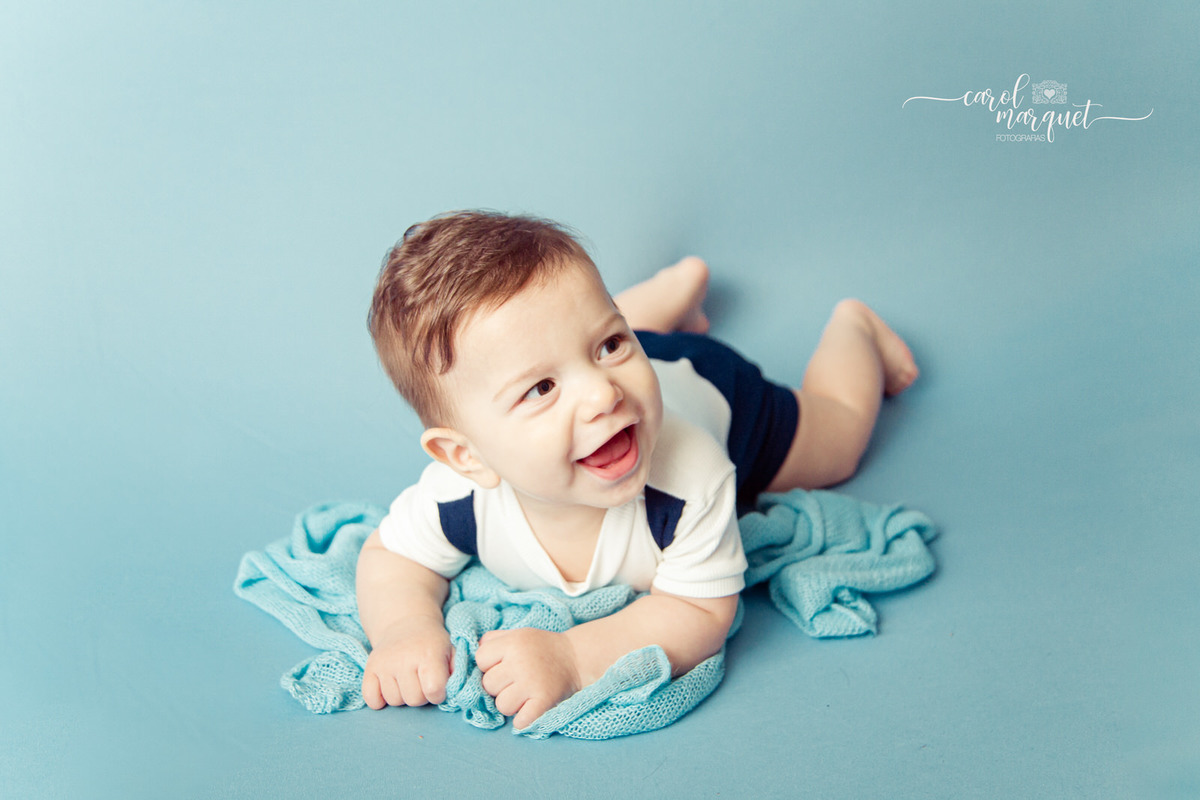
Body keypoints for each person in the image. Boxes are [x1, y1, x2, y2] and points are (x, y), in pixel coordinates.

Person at [357, 211, 918, 728]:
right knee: (574, 336)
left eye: (609, 343)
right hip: (647, 357)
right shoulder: (458, 497)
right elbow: (391, 557)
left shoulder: (689, 478)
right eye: (541, 387)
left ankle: (855, 328)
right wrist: (404, 630)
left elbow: (698, 609)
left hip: (712, 388)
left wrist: (574, 656)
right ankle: (662, 301)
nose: (602, 393)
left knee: (838, 443)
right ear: (467, 456)